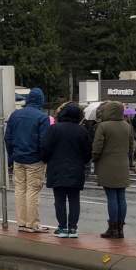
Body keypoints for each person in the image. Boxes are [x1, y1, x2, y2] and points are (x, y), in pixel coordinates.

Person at [40, 102, 91, 239]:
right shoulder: (82, 131)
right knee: (74, 199)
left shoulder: (54, 129)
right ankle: (73, 228)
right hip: (76, 169)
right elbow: (87, 153)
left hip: (56, 169)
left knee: (59, 200)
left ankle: (62, 227)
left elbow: (45, 148)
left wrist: (46, 160)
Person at [4, 87, 50, 232]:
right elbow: (44, 141)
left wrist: (11, 156)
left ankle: (22, 222)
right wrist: (44, 158)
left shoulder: (15, 115)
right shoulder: (42, 117)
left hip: (18, 158)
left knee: (19, 190)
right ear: (41, 101)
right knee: (33, 191)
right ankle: (33, 223)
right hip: (35, 159)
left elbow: (8, 138)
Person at [92, 100, 134, 239]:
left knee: (111, 197)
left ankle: (113, 228)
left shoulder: (103, 126)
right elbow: (131, 147)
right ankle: (120, 228)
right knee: (121, 197)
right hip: (123, 164)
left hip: (107, 164)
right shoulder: (127, 126)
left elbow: (97, 147)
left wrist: (94, 158)